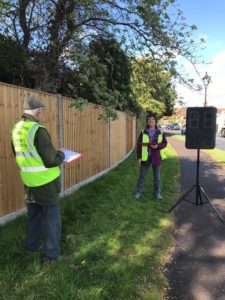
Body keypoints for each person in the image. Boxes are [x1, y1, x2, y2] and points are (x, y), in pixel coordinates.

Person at [11, 95, 65, 262]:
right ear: (39, 111)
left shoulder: (16, 129)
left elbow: (17, 154)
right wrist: (61, 154)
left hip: (29, 181)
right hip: (45, 182)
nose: (43, 115)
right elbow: (51, 160)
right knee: (51, 220)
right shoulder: (37, 130)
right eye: (42, 112)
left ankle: (32, 247)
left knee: (33, 216)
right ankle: (52, 256)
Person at [135, 114, 167, 200]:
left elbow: (164, 143)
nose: (151, 121)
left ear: (155, 121)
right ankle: (138, 192)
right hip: (145, 157)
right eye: (149, 119)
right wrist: (139, 157)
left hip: (156, 157)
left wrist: (157, 146)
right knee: (142, 176)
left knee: (157, 177)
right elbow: (138, 145)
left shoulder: (160, 131)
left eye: (153, 119)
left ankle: (157, 193)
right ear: (147, 121)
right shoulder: (143, 132)